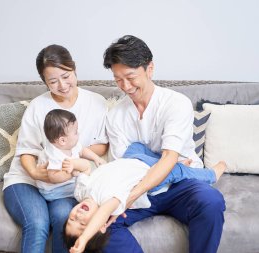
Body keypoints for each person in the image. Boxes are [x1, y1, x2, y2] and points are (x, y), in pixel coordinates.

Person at [100, 35, 226, 253]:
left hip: (179, 187)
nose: (125, 86)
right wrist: (175, 166)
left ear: (150, 69)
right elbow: (128, 166)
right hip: (141, 188)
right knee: (101, 227)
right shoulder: (116, 116)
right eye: (118, 79)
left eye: (130, 77)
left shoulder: (176, 104)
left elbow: (167, 159)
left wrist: (128, 197)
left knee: (211, 201)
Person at [2, 44, 108, 253]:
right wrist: (35, 173)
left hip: (63, 185)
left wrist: (74, 160)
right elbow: (26, 151)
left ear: (74, 68)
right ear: (44, 82)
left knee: (63, 219)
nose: (62, 85)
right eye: (53, 81)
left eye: (66, 76)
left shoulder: (96, 102)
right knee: (37, 224)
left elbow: (103, 144)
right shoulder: (38, 106)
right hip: (27, 180)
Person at [63, 140, 226, 253]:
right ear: (99, 223)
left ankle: (180, 167)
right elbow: (103, 214)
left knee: (138, 148)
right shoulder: (109, 202)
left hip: (135, 160)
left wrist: (74, 164)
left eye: (72, 219)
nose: (78, 216)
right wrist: (84, 239)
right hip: (152, 176)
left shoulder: (81, 192)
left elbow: (84, 168)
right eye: (84, 224)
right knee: (175, 170)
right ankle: (210, 174)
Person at [36, 109, 106, 201]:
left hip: (68, 183)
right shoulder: (53, 155)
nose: (79, 133)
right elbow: (53, 177)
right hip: (53, 190)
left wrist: (96, 158)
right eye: (76, 132)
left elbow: (82, 151)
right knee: (88, 191)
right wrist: (71, 174)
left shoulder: (71, 144)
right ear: (62, 140)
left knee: (90, 184)